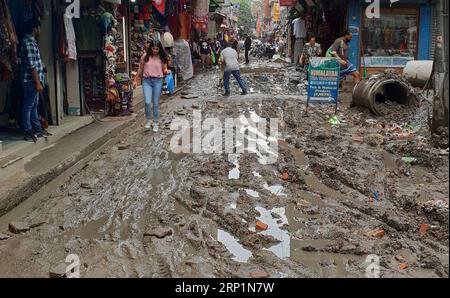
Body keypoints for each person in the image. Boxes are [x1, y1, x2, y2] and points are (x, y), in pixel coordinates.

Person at [20, 18, 51, 142]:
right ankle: (28, 130)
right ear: (35, 29)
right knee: (28, 106)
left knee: (34, 105)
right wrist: (38, 83)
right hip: (31, 81)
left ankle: (37, 129)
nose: (40, 30)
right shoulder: (28, 43)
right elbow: (32, 66)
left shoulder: (32, 42)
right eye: (39, 27)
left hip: (34, 80)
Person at [134, 39, 169, 133]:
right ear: (151, 48)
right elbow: (140, 69)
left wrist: (166, 71)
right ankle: (149, 120)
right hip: (147, 81)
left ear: (159, 49)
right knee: (147, 102)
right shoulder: (145, 57)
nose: (155, 51)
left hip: (158, 81)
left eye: (157, 49)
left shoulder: (162, 57)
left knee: (156, 103)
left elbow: (165, 69)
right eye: (153, 48)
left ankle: (156, 122)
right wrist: (135, 79)